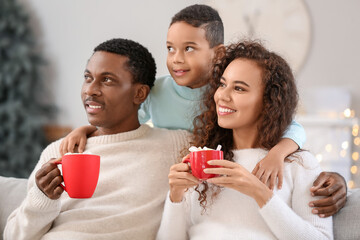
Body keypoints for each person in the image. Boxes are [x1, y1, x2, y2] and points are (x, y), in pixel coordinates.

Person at [59, 4, 347, 217]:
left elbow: (292, 125)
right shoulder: (157, 90)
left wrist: (276, 154)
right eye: (170, 48)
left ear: (218, 53)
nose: (176, 59)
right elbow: (121, 118)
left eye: (189, 49)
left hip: (206, 187)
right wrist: (86, 129)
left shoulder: (224, 95)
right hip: (174, 185)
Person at [4, 38, 191, 240]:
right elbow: (13, 236)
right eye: (88, 77)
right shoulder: (59, 151)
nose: (90, 90)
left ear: (139, 93)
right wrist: (42, 198)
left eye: (107, 80)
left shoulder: (175, 146)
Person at [157, 41, 333, 240]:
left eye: (239, 88)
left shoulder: (298, 164)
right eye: (222, 84)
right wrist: (176, 196)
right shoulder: (201, 161)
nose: (222, 95)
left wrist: (260, 194)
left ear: (269, 101)